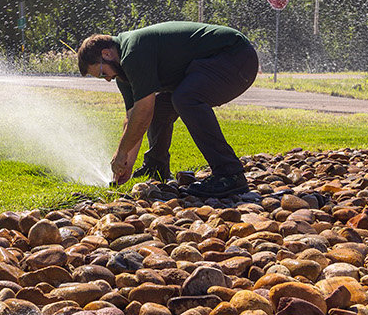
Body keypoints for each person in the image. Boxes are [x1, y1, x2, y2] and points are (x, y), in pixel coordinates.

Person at [77, 21, 260, 197]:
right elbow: (133, 119)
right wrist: (125, 164)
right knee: (161, 108)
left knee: (185, 98)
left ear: (106, 53)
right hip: (216, 64)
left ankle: (230, 174)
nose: (107, 79)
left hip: (237, 57)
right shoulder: (123, 73)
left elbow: (143, 112)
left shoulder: (133, 52)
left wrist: (121, 153)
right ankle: (156, 167)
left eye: (102, 73)